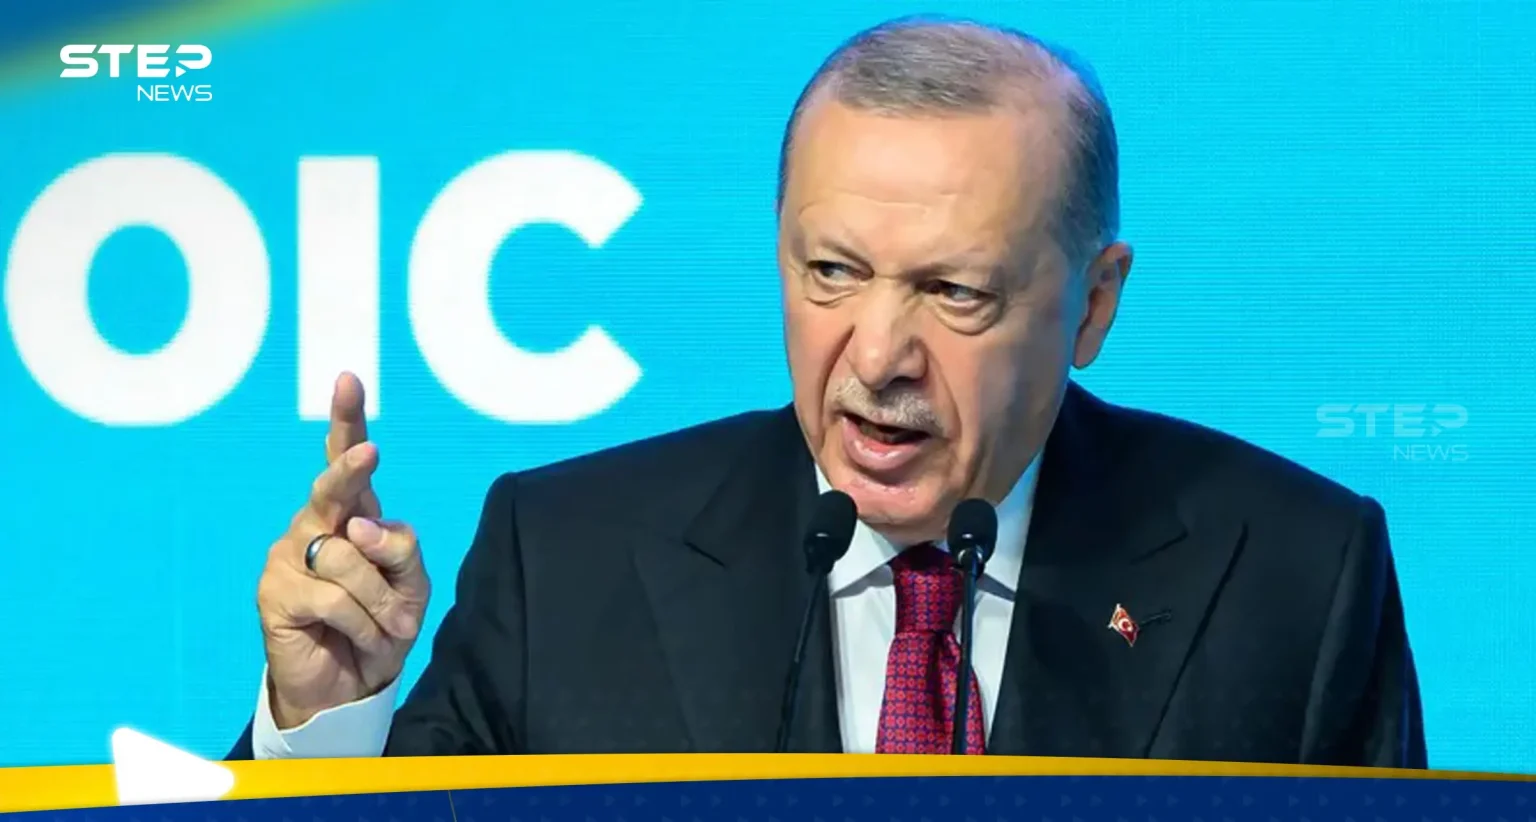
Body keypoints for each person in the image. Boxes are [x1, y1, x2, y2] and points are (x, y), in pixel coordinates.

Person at [229, 16, 1426, 765]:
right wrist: (325, 720)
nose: (878, 355)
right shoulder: (567, 559)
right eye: (832, 273)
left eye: (955, 292)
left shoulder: (1292, 573)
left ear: (1094, 305)